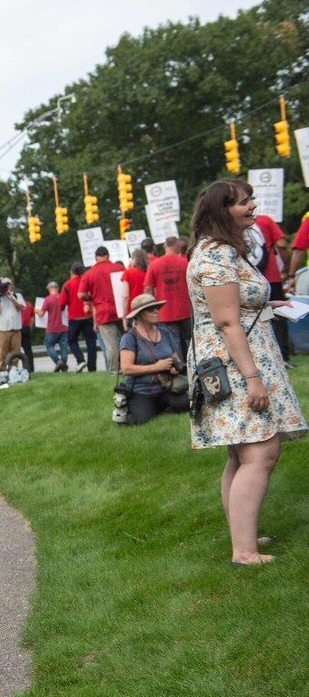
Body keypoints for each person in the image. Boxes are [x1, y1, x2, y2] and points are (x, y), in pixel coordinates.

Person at [187, 181, 306, 565]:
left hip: (238, 357)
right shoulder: (216, 255)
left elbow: (232, 306)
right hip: (235, 363)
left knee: (242, 454)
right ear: (222, 211)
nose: (253, 206)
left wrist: (271, 304)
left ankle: (244, 536)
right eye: (244, 202)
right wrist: (253, 378)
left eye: (251, 198)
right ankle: (244, 551)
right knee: (260, 451)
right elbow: (225, 321)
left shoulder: (222, 250)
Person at [118, 294, 190, 425]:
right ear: (139, 315)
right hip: (141, 391)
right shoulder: (129, 338)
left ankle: (159, 408)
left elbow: (176, 359)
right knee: (142, 420)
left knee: (188, 404)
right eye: (151, 309)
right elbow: (126, 369)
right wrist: (156, 367)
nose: (156, 311)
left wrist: (174, 368)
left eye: (157, 308)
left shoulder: (165, 332)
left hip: (166, 388)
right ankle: (134, 409)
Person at [249, 212, 293, 365]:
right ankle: (282, 356)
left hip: (251, 280)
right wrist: (288, 268)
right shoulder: (265, 220)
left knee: (262, 316)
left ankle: (264, 354)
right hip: (271, 277)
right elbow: (281, 245)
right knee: (278, 316)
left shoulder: (233, 223)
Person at [81, 247, 128, 375]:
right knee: (127, 341)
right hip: (122, 310)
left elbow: (81, 294)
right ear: (108, 256)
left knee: (111, 346)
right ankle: (129, 367)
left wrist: (91, 298)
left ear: (96, 257)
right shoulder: (120, 268)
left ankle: (115, 371)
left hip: (103, 312)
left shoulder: (89, 273)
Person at [146, 236, 193, 362]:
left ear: (165, 246)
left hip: (165, 312)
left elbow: (148, 288)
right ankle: (194, 365)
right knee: (190, 341)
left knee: (173, 343)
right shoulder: (185, 262)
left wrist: (150, 308)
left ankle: (181, 367)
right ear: (177, 246)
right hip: (186, 310)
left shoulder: (154, 264)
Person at [0, 279, 26, 370]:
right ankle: (2, 371)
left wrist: (12, 298)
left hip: (15, 329)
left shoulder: (17, 295)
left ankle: (14, 371)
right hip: (2, 329)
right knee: (1, 353)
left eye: (8, 285)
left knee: (15, 353)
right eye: (4, 286)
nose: (6, 287)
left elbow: (21, 307)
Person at [62, 262, 94, 371]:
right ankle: (92, 368)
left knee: (71, 340)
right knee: (91, 343)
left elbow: (62, 303)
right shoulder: (87, 282)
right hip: (88, 316)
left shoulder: (67, 284)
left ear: (71, 271)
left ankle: (80, 360)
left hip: (74, 317)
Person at [40, 281, 70, 371]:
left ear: (49, 289)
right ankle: (64, 365)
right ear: (58, 288)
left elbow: (41, 314)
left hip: (52, 328)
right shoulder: (63, 297)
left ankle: (58, 361)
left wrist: (36, 311)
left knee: (49, 345)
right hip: (64, 327)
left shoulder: (48, 299)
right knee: (64, 347)